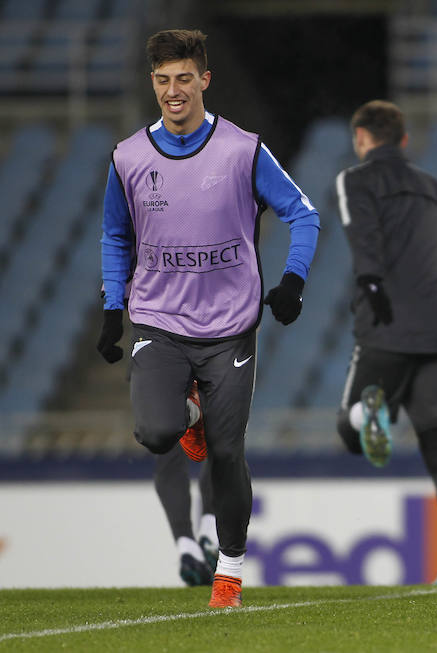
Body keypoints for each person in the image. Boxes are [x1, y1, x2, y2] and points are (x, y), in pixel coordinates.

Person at [96, 29, 319, 607]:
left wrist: (293, 279)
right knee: (155, 433)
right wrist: (109, 308)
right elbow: (115, 235)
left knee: (225, 452)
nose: (174, 92)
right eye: (163, 81)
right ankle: (186, 414)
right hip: (159, 320)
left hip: (229, 326)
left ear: (205, 81)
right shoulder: (128, 157)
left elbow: (305, 214)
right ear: (153, 84)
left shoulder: (243, 149)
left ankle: (230, 570)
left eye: (184, 80)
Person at [334, 100, 437, 585]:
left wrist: (374, 283)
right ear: (404, 140)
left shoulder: (355, 180)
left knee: (350, 435)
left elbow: (363, 238)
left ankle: (368, 412)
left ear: (361, 139)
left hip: (386, 326)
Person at [154, 382, 219, 587]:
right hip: (210, 358)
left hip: (156, 359)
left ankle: (187, 547)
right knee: (223, 435)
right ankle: (210, 532)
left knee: (168, 450)